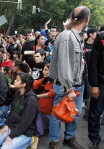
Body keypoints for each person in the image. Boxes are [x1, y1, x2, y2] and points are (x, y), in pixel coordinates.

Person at [48, 6, 90, 149]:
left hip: (78, 83)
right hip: (66, 85)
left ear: (72, 18)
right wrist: (69, 89)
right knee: (58, 114)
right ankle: (54, 142)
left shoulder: (75, 36)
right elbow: (65, 66)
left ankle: (69, 138)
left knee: (74, 113)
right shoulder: (67, 37)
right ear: (87, 19)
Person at [0, 72, 39, 149]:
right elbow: (12, 111)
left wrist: (12, 135)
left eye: (17, 80)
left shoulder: (31, 100)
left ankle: (31, 140)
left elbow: (25, 122)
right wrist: (7, 124)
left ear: (24, 84)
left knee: (5, 148)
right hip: (14, 125)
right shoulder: (17, 93)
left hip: (25, 131)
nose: (14, 81)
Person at [87, 27, 104, 149]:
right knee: (95, 113)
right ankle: (94, 139)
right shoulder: (101, 37)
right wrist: (94, 84)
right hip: (101, 83)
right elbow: (93, 62)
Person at [33, 63, 55, 132]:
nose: (43, 71)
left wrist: (36, 96)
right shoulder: (44, 80)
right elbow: (33, 84)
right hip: (40, 111)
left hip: (48, 115)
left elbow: (51, 94)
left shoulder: (56, 83)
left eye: (45, 70)